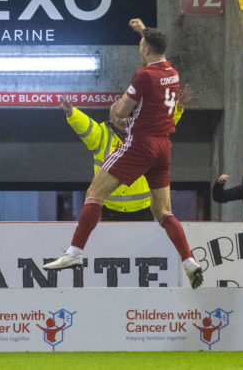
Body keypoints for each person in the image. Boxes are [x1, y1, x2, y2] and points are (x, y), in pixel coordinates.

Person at [44, 19, 203, 289]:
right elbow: (156, 45)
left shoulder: (143, 76)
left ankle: (74, 253)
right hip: (164, 146)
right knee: (164, 211)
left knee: (94, 194)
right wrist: (142, 30)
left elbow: (120, 112)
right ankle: (189, 262)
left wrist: (123, 103)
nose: (140, 48)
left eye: (141, 45)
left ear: (145, 50)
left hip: (141, 143)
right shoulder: (172, 73)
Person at [60, 85, 192, 221]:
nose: (123, 120)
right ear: (111, 118)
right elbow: (86, 126)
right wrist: (72, 113)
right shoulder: (101, 135)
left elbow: (165, 123)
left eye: (128, 115)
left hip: (142, 209)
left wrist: (179, 106)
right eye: (119, 116)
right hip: (110, 209)